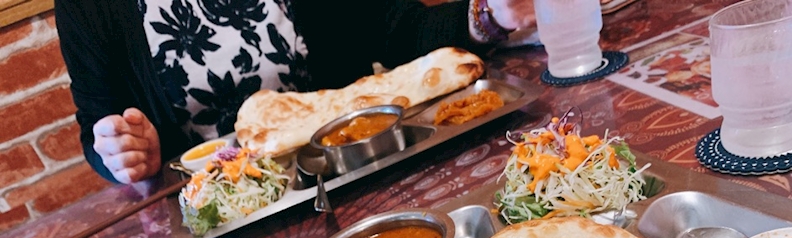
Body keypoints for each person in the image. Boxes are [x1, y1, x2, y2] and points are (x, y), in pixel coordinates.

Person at [55, 0, 536, 184]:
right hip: (230, 210)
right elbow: (99, 122)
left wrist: (487, 16)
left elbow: (396, 26)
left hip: (357, 167)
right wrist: (124, 150)